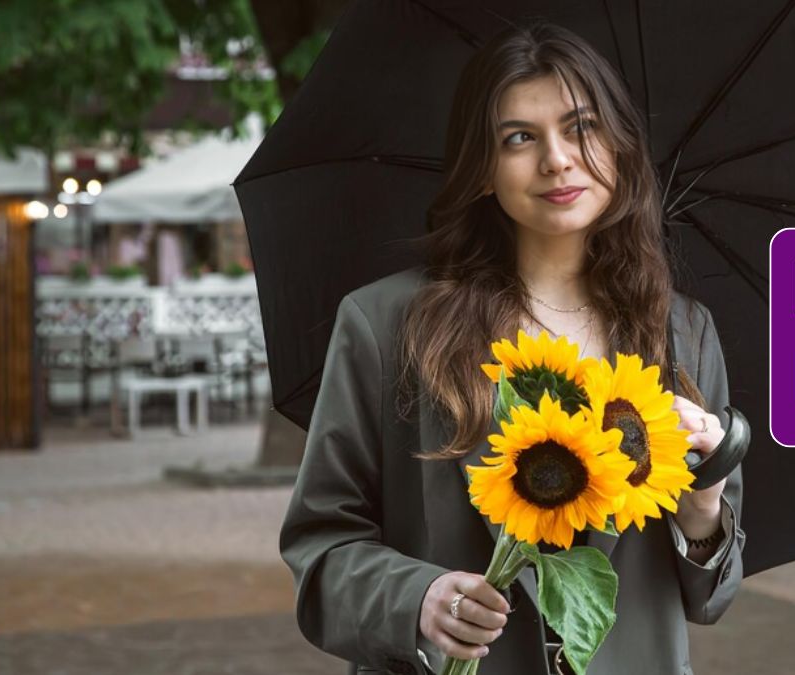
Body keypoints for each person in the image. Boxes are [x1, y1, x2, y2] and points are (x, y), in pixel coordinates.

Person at [280, 22, 745, 675]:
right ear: (482, 167)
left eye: (581, 126)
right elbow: (322, 544)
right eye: (520, 138)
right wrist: (417, 600)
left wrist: (703, 511)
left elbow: (712, 594)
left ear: (619, 144)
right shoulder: (387, 325)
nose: (557, 158)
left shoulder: (682, 333)